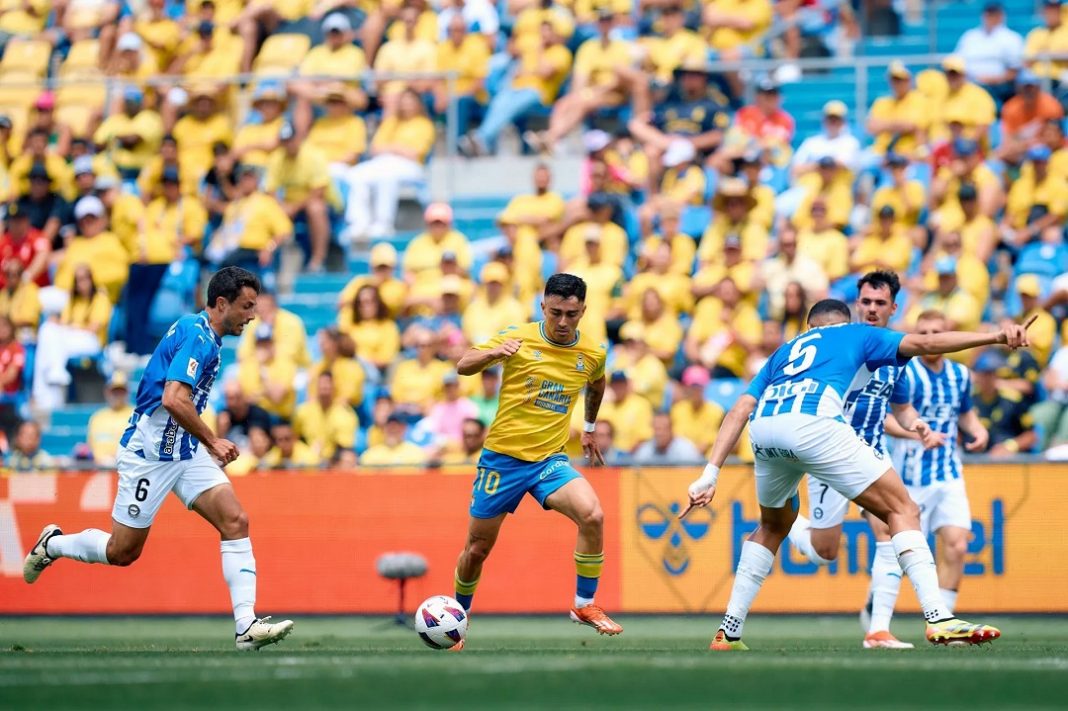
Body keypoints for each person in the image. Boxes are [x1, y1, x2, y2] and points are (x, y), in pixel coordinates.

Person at [681, 298, 1031, 650]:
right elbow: (925, 344)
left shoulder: (786, 349)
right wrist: (996, 336)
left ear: (810, 327)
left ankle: (728, 631)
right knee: (903, 510)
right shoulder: (856, 334)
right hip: (814, 425)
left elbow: (742, 406)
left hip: (765, 429)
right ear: (844, 321)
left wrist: (710, 473)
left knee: (772, 526)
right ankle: (939, 617)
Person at [23, 267, 294, 651]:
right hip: (150, 455)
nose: (252, 315)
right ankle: (53, 544)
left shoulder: (202, 332)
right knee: (122, 552)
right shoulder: (198, 338)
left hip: (183, 450)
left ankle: (245, 625)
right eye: (247, 307)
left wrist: (201, 442)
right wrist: (213, 440)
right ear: (221, 304)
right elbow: (172, 399)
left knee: (235, 520)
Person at [451, 273, 621, 646]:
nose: (563, 322)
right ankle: (457, 620)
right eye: (555, 312)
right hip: (502, 461)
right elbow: (463, 365)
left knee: (592, 515)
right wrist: (494, 353)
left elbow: (597, 382)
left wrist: (589, 427)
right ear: (542, 307)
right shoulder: (519, 337)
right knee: (477, 550)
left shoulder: (592, 353)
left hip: (548, 461)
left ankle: (583, 604)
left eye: (571, 314)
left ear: (583, 311)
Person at [785, 271, 943, 649]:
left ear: (893, 308)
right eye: (865, 302)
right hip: (829, 454)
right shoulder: (843, 345)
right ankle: (786, 521)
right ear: (858, 305)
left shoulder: (895, 353)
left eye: (879, 303)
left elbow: (899, 408)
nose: (871, 309)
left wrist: (916, 425)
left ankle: (878, 630)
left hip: (870, 452)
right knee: (825, 552)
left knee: (893, 524)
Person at [891, 310, 992, 621]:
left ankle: (944, 622)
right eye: (924, 333)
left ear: (948, 333)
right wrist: (917, 433)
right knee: (898, 557)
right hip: (909, 476)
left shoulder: (960, 375)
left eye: (937, 332)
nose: (931, 339)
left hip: (948, 471)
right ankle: (875, 608)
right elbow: (885, 419)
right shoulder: (904, 373)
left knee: (957, 545)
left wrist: (978, 429)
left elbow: (963, 413)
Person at [86, 372, 135, 468]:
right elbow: (90, 446)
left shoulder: (135, 414)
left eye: (121, 391)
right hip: (98, 469)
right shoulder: (97, 417)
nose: (117, 395)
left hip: (126, 469)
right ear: (107, 392)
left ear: (127, 392)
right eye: (114, 391)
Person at [632, 412, 703, 465]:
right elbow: (637, 469)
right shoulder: (646, 449)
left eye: (663, 429)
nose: (659, 433)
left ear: (671, 429)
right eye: (656, 429)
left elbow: (692, 473)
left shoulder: (686, 449)